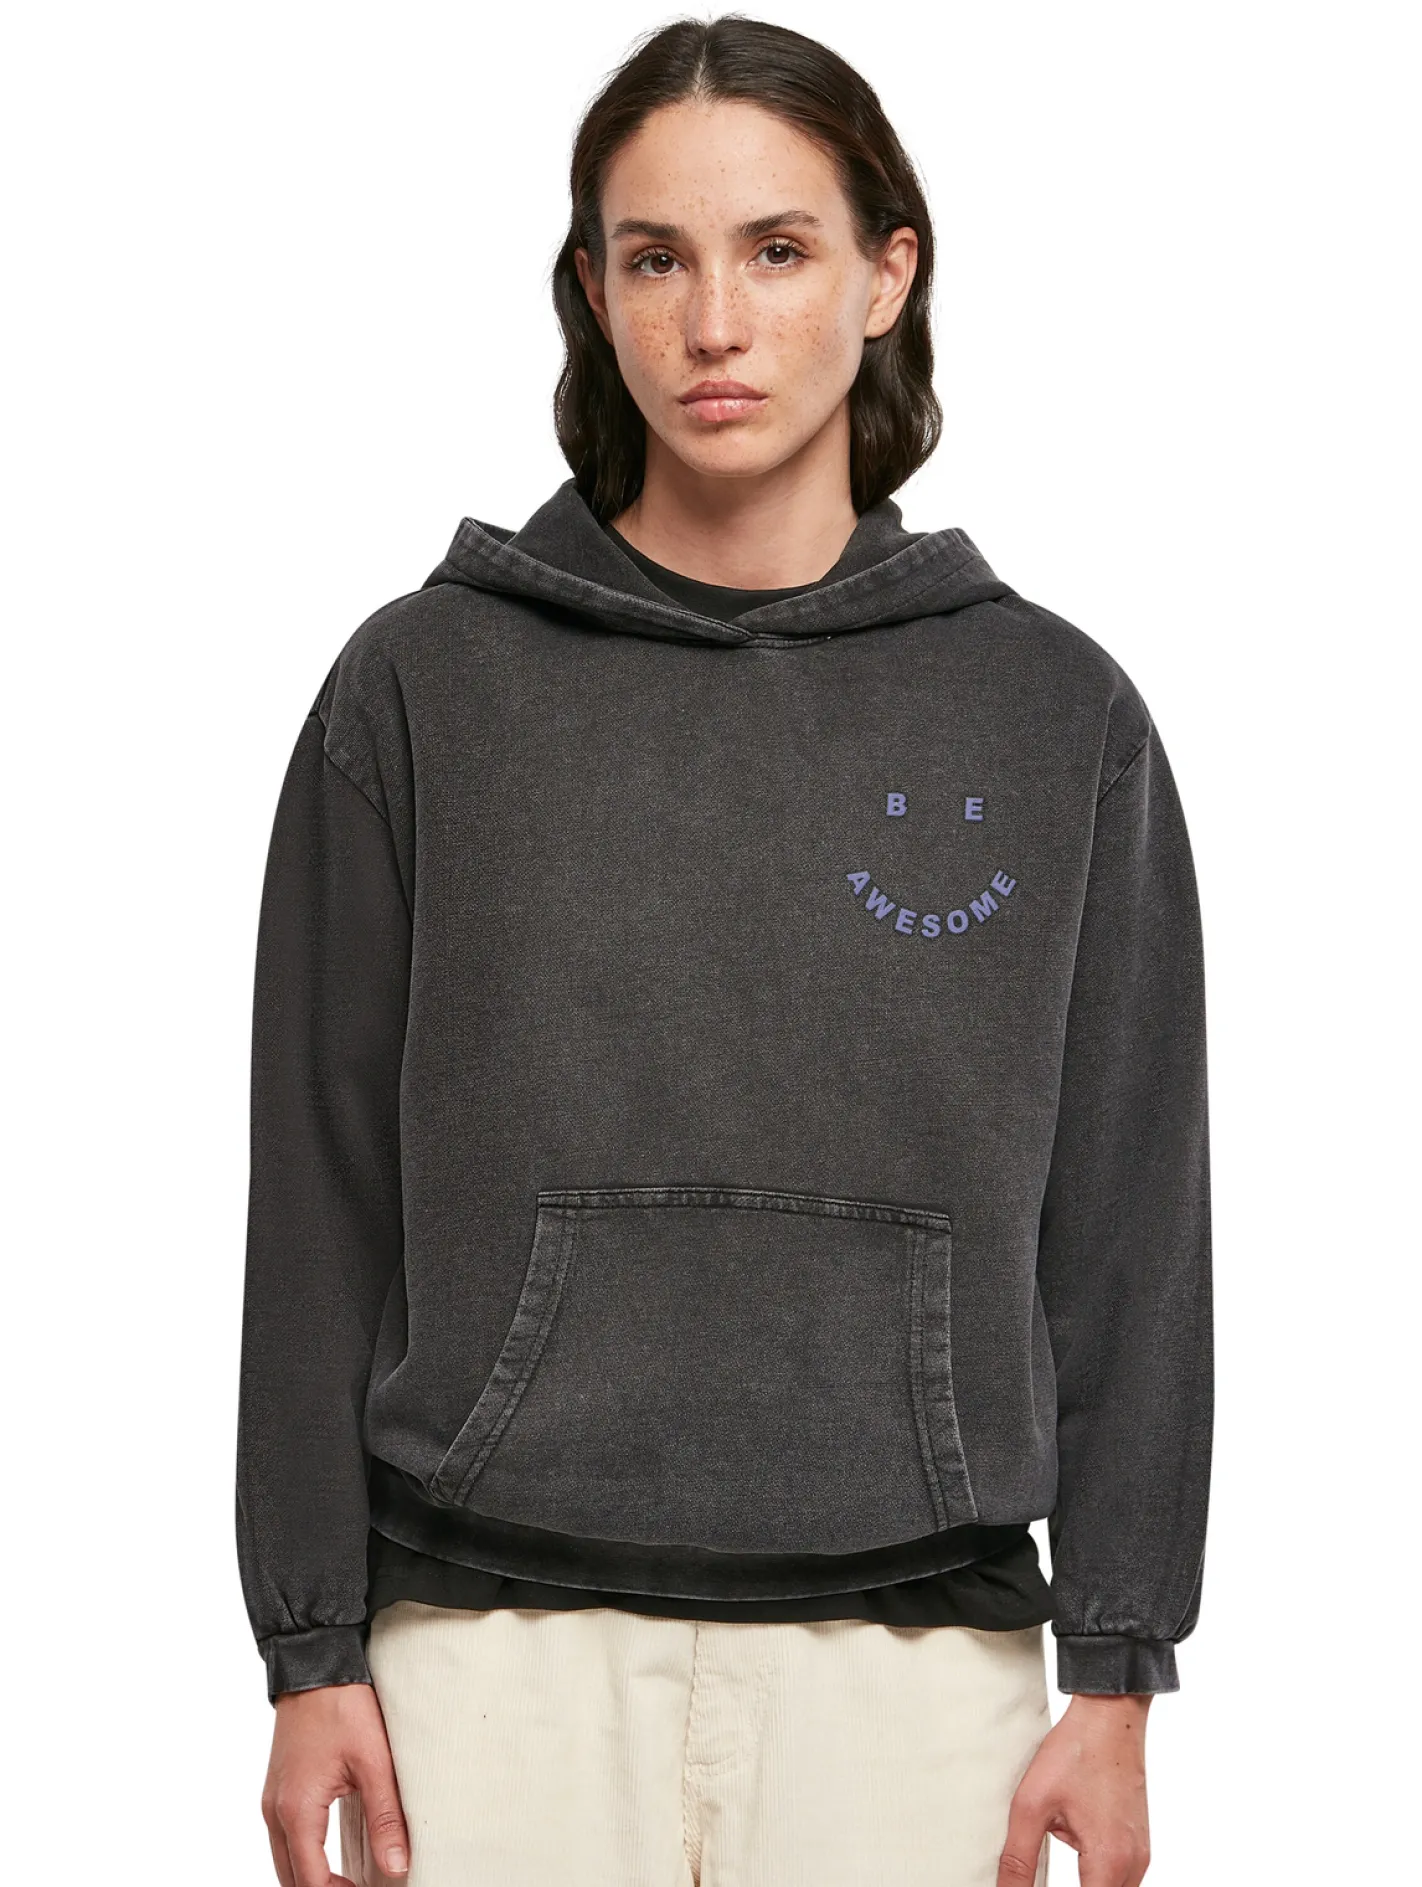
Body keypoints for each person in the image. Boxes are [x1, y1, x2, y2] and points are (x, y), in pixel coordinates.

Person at [236, 16, 1213, 1887]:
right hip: (482, 1663)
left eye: (775, 249)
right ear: (591, 292)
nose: (713, 323)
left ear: (884, 275)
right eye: (654, 258)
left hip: (917, 1677)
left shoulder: (1049, 712)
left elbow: (1128, 1211)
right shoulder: (425, 686)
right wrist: (307, 1646)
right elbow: (320, 1190)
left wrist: (1118, 1663)